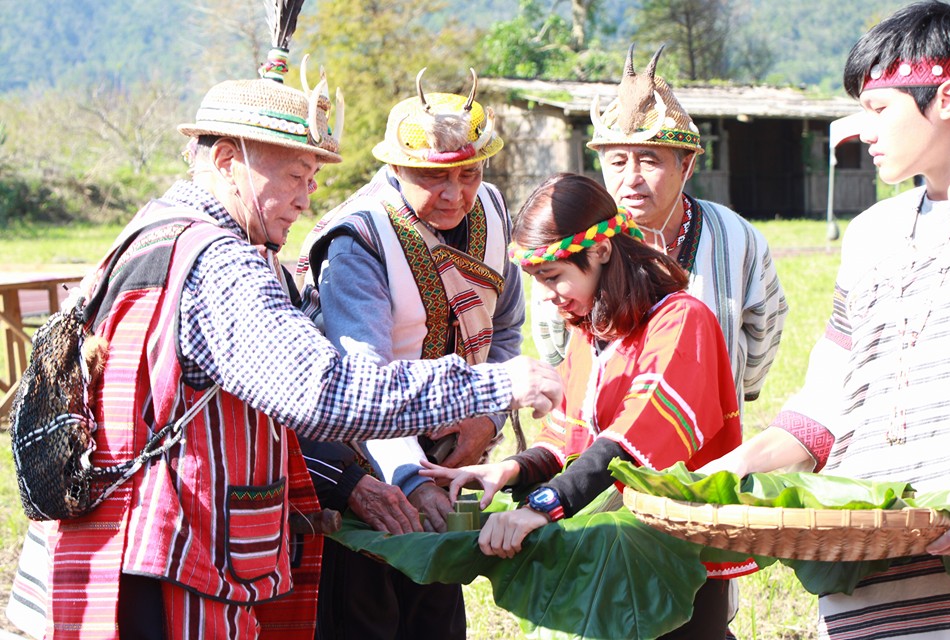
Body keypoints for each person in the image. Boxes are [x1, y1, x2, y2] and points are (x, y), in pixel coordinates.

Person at [8, 39, 562, 640]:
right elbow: (325, 391)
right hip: (163, 555)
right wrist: (498, 383)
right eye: (295, 174)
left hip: (134, 545)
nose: (308, 196)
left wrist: (353, 477)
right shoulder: (220, 264)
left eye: (313, 175)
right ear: (226, 162)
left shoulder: (160, 228)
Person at [700, 2, 950, 637]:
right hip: (866, 566)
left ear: (947, 96)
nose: (860, 128)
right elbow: (828, 405)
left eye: (878, 108)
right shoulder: (872, 235)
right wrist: (724, 471)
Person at [423, 173, 744, 639]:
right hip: (613, 545)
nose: (550, 300)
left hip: (676, 553)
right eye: (539, 282)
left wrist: (543, 507)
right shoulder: (590, 332)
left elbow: (630, 444)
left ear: (600, 251)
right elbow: (567, 441)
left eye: (554, 279)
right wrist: (505, 471)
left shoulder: (681, 321)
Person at [293, 67, 523, 640]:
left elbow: (507, 327)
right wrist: (408, 479)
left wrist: (484, 420)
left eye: (468, 173)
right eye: (430, 176)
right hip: (361, 470)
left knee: (437, 620)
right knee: (366, 619)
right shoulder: (357, 239)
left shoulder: (491, 209)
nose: (454, 194)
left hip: (448, 461)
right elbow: (362, 385)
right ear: (394, 167)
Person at [533, 44, 788, 412]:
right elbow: (555, 344)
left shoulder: (737, 238)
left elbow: (763, 329)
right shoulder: (572, 238)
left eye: (649, 160)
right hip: (599, 450)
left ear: (686, 167)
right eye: (618, 161)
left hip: (707, 446)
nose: (631, 178)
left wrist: (727, 389)